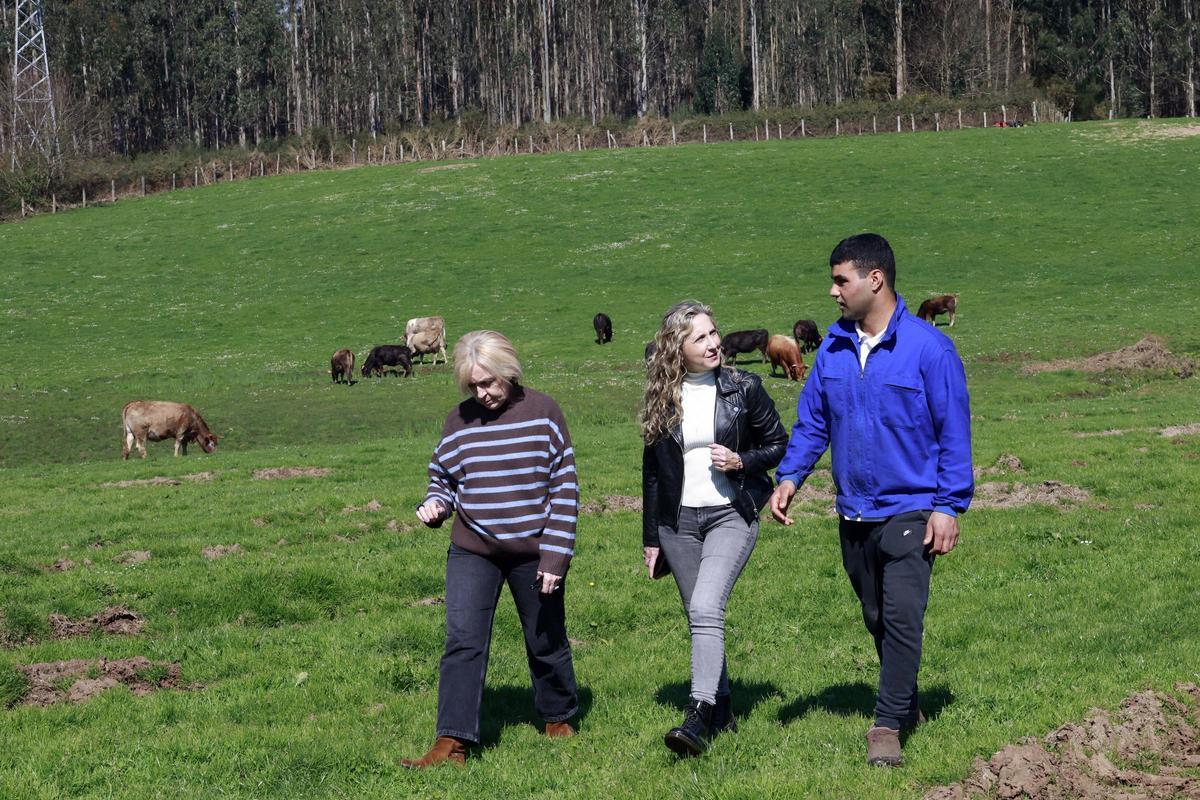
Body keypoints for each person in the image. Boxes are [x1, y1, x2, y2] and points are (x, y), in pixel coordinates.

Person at [769, 233, 974, 767]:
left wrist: (948, 505)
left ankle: (886, 725)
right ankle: (905, 702)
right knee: (876, 614)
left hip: (911, 506)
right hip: (854, 510)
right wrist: (791, 478)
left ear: (874, 279)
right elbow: (814, 422)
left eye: (841, 279)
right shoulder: (832, 349)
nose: (833, 291)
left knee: (903, 615)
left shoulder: (930, 348)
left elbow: (954, 431)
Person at [402, 330, 580, 768]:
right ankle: (452, 742)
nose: (482, 393)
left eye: (489, 382)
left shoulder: (544, 412)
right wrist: (436, 504)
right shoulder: (457, 421)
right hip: (473, 548)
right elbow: (443, 477)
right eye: (473, 386)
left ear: (509, 372)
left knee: (544, 638)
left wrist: (555, 557)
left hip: (534, 549)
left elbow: (565, 487)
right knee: (462, 640)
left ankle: (558, 714)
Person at [641, 301, 788, 757]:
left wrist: (742, 460)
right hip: (678, 523)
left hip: (731, 514)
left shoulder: (745, 387)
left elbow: (779, 442)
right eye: (700, 337)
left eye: (713, 332)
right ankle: (723, 711)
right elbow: (652, 473)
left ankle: (697, 714)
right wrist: (650, 537)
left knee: (706, 605)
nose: (713, 343)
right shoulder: (662, 396)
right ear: (676, 349)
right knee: (700, 616)